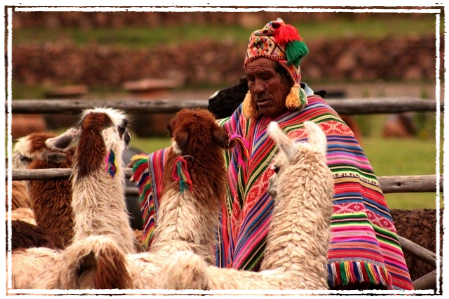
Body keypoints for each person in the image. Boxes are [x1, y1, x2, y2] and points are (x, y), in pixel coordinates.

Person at [130, 18, 415, 299]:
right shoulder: (245, 120)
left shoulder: (324, 125)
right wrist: (153, 162)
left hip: (315, 274)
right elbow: (206, 143)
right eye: (251, 79)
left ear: (289, 76)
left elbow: (344, 204)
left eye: (266, 77)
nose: (257, 88)